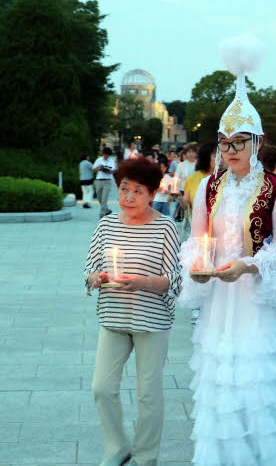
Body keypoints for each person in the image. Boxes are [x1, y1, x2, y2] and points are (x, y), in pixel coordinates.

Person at [179, 34, 276, 466]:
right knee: (223, 382)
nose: (230, 151)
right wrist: (197, 265)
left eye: (239, 142)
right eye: (224, 143)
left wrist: (246, 266)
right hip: (221, 300)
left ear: (257, 143)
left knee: (259, 379)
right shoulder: (209, 185)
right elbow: (197, 238)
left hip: (257, 298)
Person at [84, 157, 182, 466]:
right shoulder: (107, 224)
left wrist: (142, 283)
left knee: (148, 395)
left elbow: (175, 281)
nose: (128, 197)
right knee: (101, 388)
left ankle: (146, 456)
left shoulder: (166, 227)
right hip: (113, 318)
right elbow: (90, 269)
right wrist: (95, 279)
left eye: (137, 191)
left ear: (153, 194)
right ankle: (117, 447)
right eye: (124, 189)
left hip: (151, 322)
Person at [183, 141, 217, 209]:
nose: (221, 159)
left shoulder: (227, 178)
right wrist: (177, 196)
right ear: (206, 157)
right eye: (215, 156)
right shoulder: (192, 178)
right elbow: (186, 206)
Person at [93, 147, 117, 218]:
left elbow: (113, 170)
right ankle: (106, 210)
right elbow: (93, 170)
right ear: (103, 154)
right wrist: (98, 167)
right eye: (105, 155)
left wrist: (106, 170)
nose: (106, 157)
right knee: (99, 198)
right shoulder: (99, 160)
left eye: (108, 155)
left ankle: (102, 214)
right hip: (99, 180)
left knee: (104, 198)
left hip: (107, 181)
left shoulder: (111, 161)